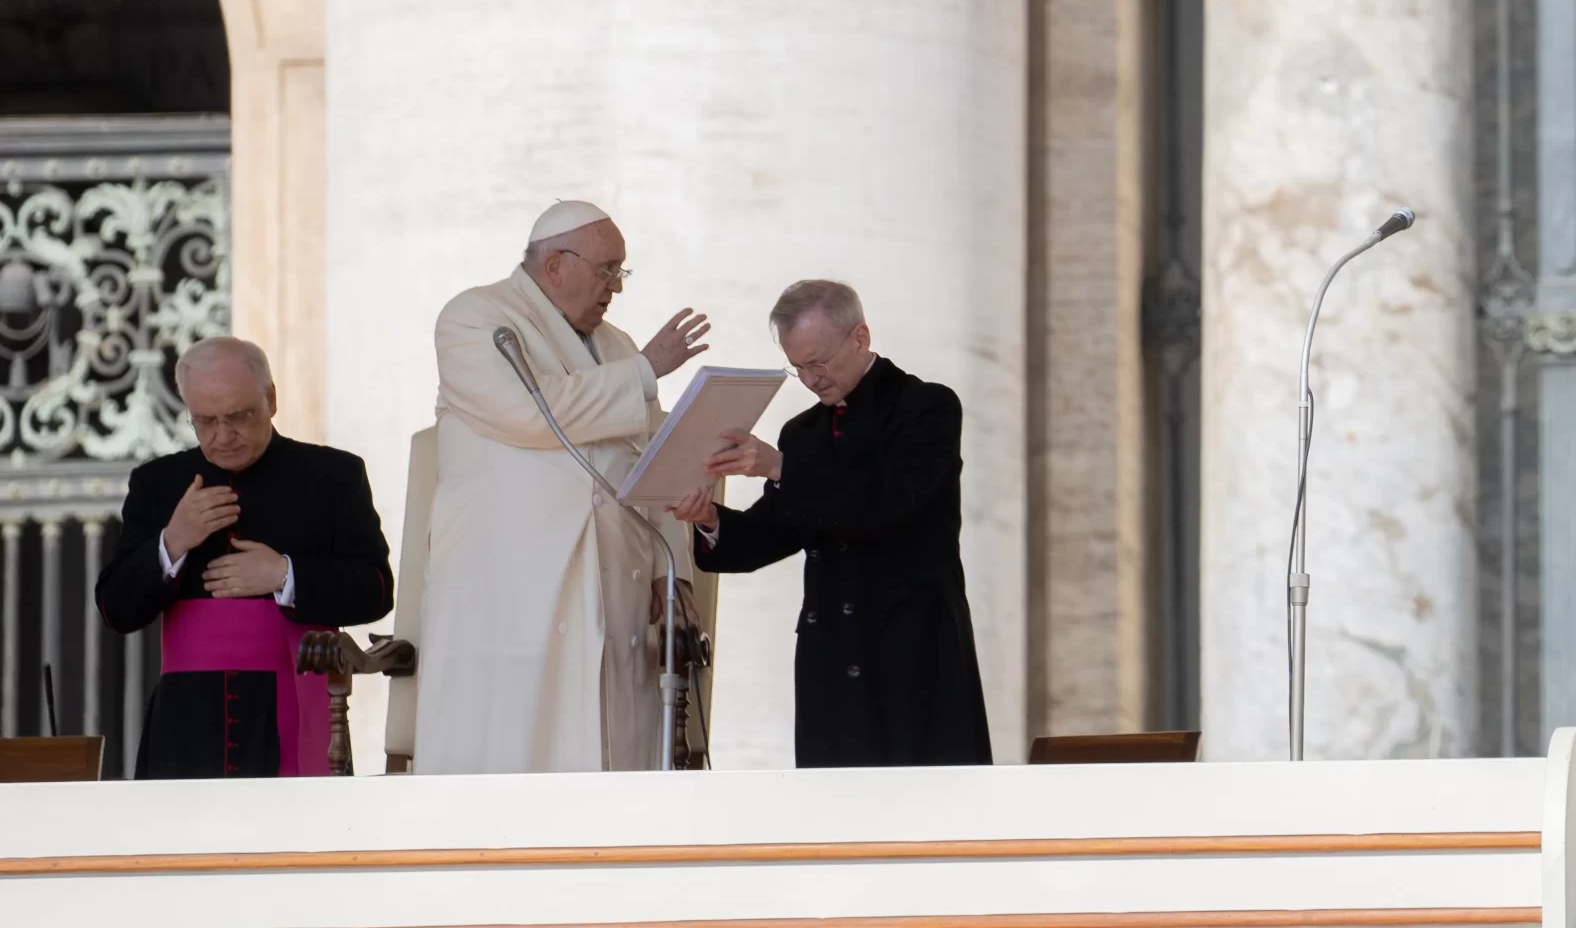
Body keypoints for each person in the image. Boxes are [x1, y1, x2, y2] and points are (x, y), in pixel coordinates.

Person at [412, 200, 710, 773]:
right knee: (516, 760)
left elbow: (652, 455)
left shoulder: (617, 345)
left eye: (620, 272)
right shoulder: (476, 317)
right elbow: (532, 413)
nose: (616, 288)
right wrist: (646, 371)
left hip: (613, 590)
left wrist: (669, 569)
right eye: (608, 270)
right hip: (512, 591)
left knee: (608, 759)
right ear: (555, 267)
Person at [673, 279, 991, 767]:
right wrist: (711, 520)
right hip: (833, 656)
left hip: (911, 651)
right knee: (835, 820)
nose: (811, 379)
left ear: (859, 337)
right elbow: (772, 534)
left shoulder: (927, 407)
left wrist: (781, 468)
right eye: (798, 367)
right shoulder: (803, 433)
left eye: (819, 362)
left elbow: (884, 506)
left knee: (926, 815)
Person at [95, 337, 394, 778]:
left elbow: (376, 590)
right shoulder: (157, 483)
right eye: (205, 421)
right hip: (188, 719)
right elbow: (116, 608)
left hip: (295, 701)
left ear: (270, 399)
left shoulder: (334, 476)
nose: (223, 436)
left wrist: (284, 574)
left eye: (239, 416)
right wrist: (173, 541)